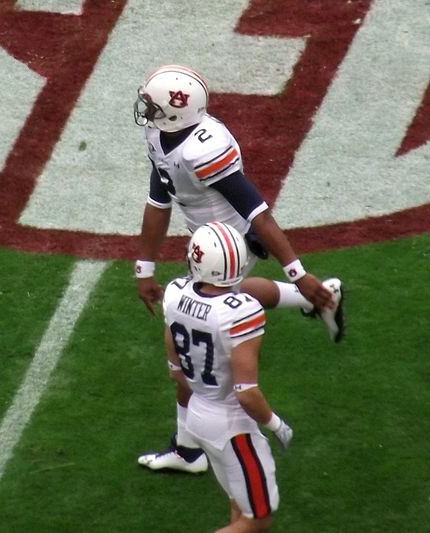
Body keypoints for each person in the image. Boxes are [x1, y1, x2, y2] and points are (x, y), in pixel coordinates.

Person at [133, 64, 344, 474]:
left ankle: (188, 449)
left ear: (175, 111)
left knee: (189, 339)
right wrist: (144, 267)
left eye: (151, 103)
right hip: (203, 235)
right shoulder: (162, 134)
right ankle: (320, 301)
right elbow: (159, 197)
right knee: (237, 297)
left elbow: (257, 212)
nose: (145, 108)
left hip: (226, 244)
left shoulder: (203, 148)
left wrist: (299, 270)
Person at [161, 221, 293, 532]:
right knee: (257, 520)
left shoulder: (175, 293)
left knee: (239, 500)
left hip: (197, 412)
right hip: (231, 425)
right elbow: (246, 391)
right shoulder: (241, 311)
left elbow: (175, 369)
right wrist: (276, 424)